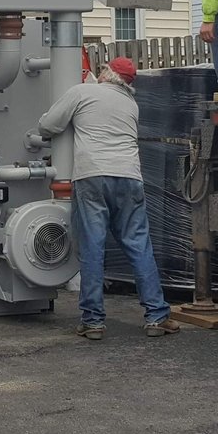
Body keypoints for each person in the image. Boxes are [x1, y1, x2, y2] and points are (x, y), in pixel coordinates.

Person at [35, 57, 179, 339]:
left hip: (92, 176)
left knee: (92, 248)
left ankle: (93, 322)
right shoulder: (131, 104)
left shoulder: (82, 92)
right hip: (129, 177)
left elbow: (48, 126)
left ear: (105, 73)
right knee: (139, 246)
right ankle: (156, 316)